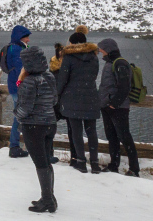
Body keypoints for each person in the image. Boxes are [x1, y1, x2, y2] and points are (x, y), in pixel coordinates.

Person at [14, 43, 59, 212]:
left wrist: (16, 116)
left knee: (40, 163)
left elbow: (24, 108)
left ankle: (47, 200)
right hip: (49, 123)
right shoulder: (49, 76)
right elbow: (54, 100)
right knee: (46, 161)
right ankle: (49, 197)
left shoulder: (30, 81)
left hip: (34, 126)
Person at [55, 27, 101, 173]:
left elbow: (62, 79)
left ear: (72, 43)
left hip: (72, 99)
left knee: (76, 131)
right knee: (91, 131)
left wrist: (57, 95)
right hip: (91, 97)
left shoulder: (68, 58)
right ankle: (94, 163)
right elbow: (93, 76)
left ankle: (80, 161)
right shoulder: (94, 57)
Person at [97, 38, 139, 177]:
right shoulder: (110, 63)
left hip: (118, 108)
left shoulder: (120, 63)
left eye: (101, 49)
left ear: (107, 49)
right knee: (112, 137)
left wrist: (113, 104)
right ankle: (114, 165)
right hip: (108, 107)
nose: (99, 51)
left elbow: (124, 87)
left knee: (124, 137)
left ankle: (134, 169)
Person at [3, 25, 30, 158]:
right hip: (19, 89)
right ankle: (15, 146)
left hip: (15, 88)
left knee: (19, 117)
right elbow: (22, 71)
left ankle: (16, 146)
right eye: (26, 37)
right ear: (20, 37)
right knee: (20, 118)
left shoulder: (14, 48)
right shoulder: (17, 50)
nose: (28, 40)